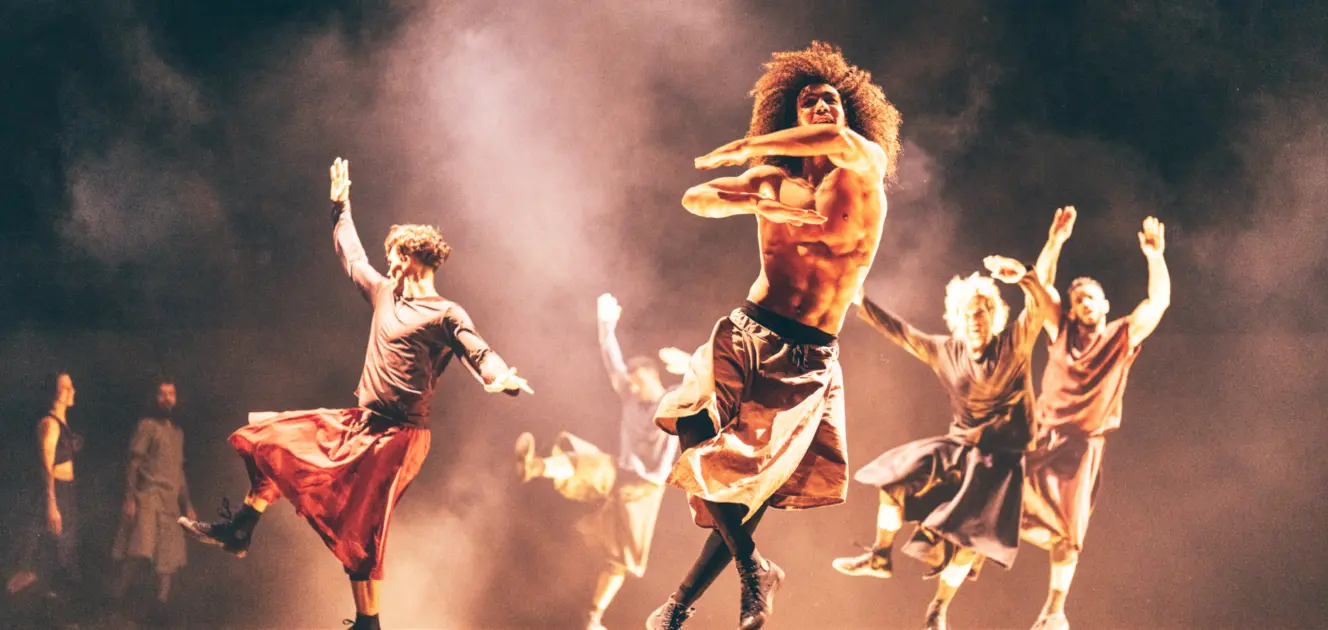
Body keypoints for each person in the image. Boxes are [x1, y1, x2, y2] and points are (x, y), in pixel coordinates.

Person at [178, 158, 532, 630]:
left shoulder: (445, 313)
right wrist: (340, 206)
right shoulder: (385, 293)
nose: (389, 264)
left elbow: (478, 352)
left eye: (395, 256)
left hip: (400, 438)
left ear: (414, 257)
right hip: (362, 423)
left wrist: (501, 377)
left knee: (362, 522)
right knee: (276, 437)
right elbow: (353, 258)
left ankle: (369, 623)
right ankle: (242, 526)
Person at [646, 41, 901, 630]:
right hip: (746, 330)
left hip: (807, 356)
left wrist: (745, 145)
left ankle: (684, 604)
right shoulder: (772, 180)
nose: (821, 107)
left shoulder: (862, 166)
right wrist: (756, 204)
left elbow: (834, 141)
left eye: (831, 100)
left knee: (752, 482)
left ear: (849, 114)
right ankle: (753, 567)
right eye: (808, 100)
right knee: (689, 419)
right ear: (791, 115)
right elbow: (697, 198)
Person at [831, 255, 1058, 630]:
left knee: (970, 540)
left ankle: (938, 608)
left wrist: (1026, 277)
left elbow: (1037, 309)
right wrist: (862, 302)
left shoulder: (1013, 346)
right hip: (960, 449)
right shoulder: (946, 351)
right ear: (956, 318)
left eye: (981, 312)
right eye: (968, 314)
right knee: (895, 478)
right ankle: (880, 555)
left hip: (1001, 462)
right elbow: (903, 334)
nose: (974, 320)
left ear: (993, 316)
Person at [1021, 211, 1171, 630]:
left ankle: (1054, 611)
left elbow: (1157, 303)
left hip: (1082, 445)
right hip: (1044, 438)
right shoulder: (1062, 331)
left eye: (1091, 298)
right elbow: (1040, 288)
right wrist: (1054, 242)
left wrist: (1155, 257)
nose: (1084, 304)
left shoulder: (1122, 336)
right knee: (998, 492)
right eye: (1078, 301)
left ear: (1105, 305)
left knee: (1070, 530)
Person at [515, 293, 685, 630]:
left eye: (637, 383)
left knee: (621, 560)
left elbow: (709, 382)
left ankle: (593, 617)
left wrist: (690, 363)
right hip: (620, 471)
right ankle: (536, 466)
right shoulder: (629, 394)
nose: (632, 388)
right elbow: (611, 359)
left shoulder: (673, 400)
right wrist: (605, 323)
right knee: (583, 461)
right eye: (630, 383)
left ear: (652, 378)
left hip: (646, 489)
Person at [112, 379, 195, 618]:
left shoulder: (177, 433)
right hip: (148, 497)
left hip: (170, 502)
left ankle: (160, 607)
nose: (167, 398)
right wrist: (130, 498)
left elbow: (179, 471)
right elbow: (134, 464)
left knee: (168, 559)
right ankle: (116, 598)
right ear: (154, 398)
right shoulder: (147, 426)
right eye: (162, 394)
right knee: (140, 550)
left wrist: (188, 504)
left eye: (171, 394)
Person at [7, 373, 84, 620]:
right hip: (56, 492)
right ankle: (22, 605)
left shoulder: (63, 423)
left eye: (71, 386)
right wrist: (52, 503)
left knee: (64, 549)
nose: (72, 391)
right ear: (54, 392)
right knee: (50, 549)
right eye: (66, 387)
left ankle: (57, 609)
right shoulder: (49, 424)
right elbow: (45, 466)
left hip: (67, 491)